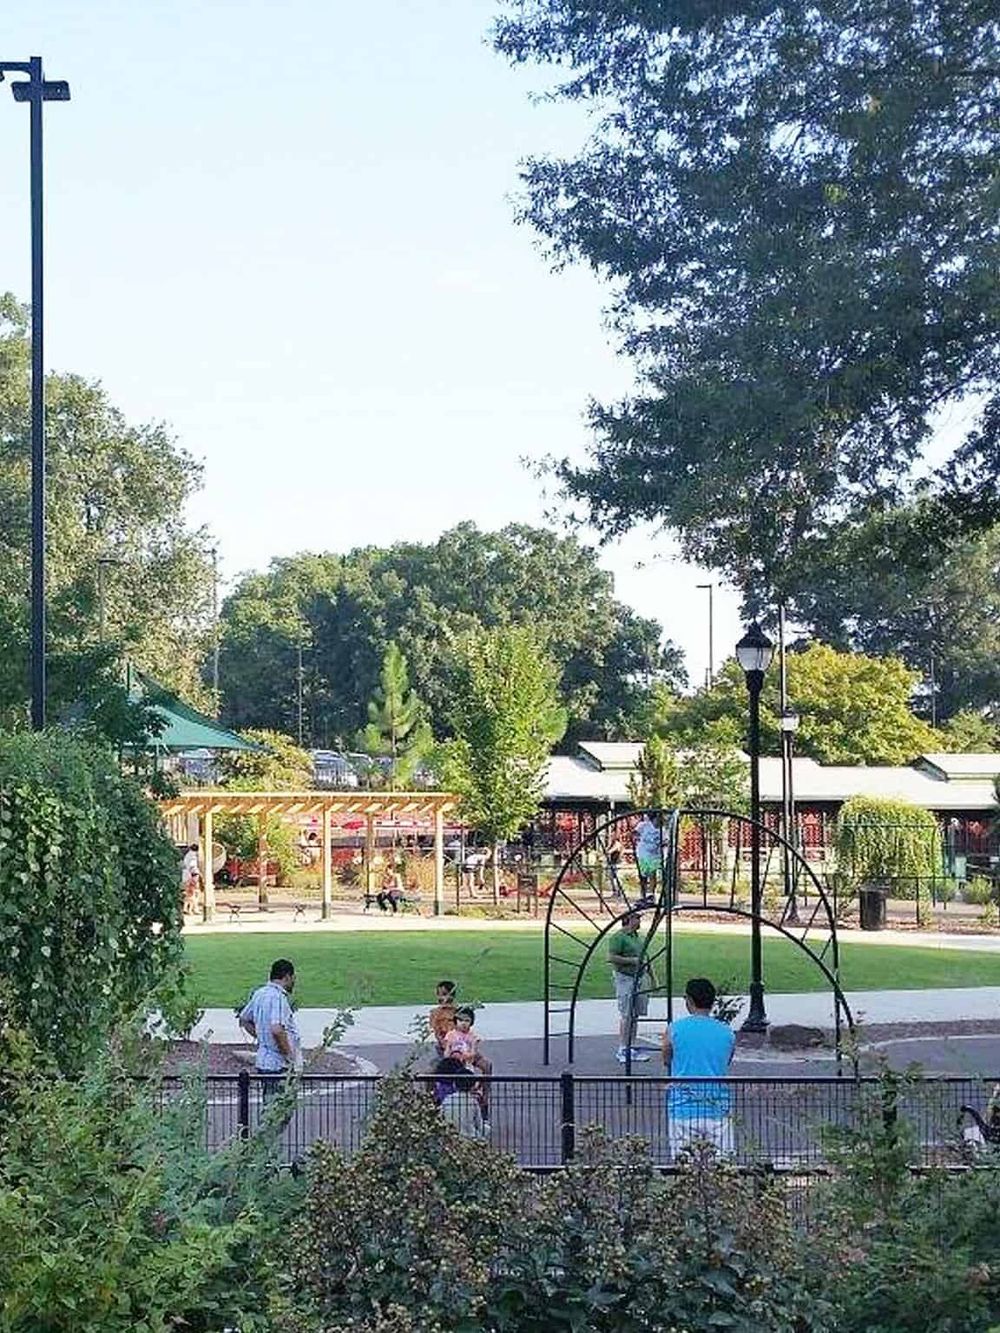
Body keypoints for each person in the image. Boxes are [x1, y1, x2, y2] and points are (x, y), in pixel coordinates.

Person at [662, 976, 736, 1158]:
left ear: (689, 1000)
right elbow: (726, 1060)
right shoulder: (727, 1032)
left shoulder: (675, 1029)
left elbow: (666, 1058)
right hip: (718, 1106)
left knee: (685, 1169)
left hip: (683, 1107)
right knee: (722, 1169)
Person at [238, 959, 302, 1109]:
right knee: (277, 1112)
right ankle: (265, 1133)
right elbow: (277, 1029)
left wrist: (261, 1036)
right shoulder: (278, 997)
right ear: (287, 977)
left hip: (264, 1061)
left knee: (272, 1108)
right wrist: (289, 1057)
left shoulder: (259, 994)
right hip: (278, 1065)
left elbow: (244, 1018)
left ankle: (266, 1132)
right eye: (293, 978)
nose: (294, 982)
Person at [608, 911, 651, 1063]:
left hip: (639, 977)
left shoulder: (637, 937)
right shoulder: (618, 937)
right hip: (625, 978)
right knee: (626, 1014)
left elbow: (644, 957)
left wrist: (652, 976)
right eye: (637, 918)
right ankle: (622, 1048)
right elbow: (611, 957)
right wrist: (631, 961)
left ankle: (630, 1047)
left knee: (635, 1014)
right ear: (629, 919)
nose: (640, 921)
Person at [442, 1006, 491, 1128]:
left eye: (467, 1021)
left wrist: (465, 1056)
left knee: (470, 1083)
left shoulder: (472, 1037)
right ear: (456, 1021)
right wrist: (450, 1057)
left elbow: (473, 1053)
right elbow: (447, 1050)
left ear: (471, 1023)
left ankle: (479, 1107)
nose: (464, 1024)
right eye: (461, 1020)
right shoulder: (451, 1035)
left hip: (466, 1063)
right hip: (453, 1062)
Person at [433, 1057, 486, 1138]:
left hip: (450, 1137)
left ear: (454, 1084)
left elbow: (440, 1118)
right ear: (472, 1086)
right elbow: (479, 1125)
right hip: (470, 1137)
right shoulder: (473, 1102)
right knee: (486, 1128)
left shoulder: (446, 1100)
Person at [633, 814, 662, 898]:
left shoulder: (662, 829)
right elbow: (635, 833)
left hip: (655, 855)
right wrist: (636, 837)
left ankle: (651, 894)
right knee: (643, 875)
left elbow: (665, 840)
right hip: (643, 854)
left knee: (653, 874)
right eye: (658, 818)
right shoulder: (644, 825)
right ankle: (643, 894)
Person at [429, 979, 458, 1056]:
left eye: (445, 994)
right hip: (443, 1046)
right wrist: (444, 1044)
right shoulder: (435, 1013)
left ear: (453, 996)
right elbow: (436, 1032)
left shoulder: (458, 1012)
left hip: (459, 1045)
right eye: (439, 995)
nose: (442, 998)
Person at [181, 844, 201, 915]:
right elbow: (192, 867)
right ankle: (193, 909)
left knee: (188, 893)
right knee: (194, 893)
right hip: (192, 876)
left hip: (185, 876)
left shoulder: (187, 856)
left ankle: (186, 908)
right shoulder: (193, 856)